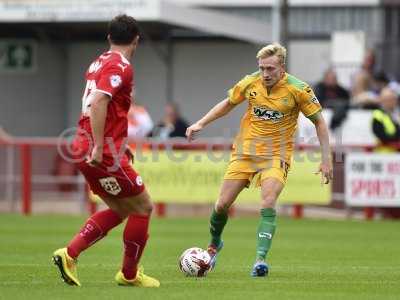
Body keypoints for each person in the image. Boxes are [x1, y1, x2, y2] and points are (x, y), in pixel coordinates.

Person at [186, 43, 332, 277]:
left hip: (276, 154)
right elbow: (228, 103)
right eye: (262, 68)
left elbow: (320, 122)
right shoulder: (250, 82)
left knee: (267, 201)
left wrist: (326, 160)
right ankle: (214, 244)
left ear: (281, 67)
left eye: (270, 69)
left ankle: (260, 260)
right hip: (245, 152)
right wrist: (201, 123)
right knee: (222, 204)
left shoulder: (299, 89)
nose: (265, 74)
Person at [52, 15, 159, 288]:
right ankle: (129, 274)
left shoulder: (98, 61)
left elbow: (104, 107)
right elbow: (99, 102)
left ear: (109, 37)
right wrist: (102, 146)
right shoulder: (121, 65)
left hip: (86, 144)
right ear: (136, 40)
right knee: (143, 206)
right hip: (99, 149)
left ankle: (70, 253)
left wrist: (117, 144)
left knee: (120, 207)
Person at [372, 87, 400, 152]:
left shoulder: (397, 114)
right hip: (385, 153)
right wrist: (397, 136)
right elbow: (382, 135)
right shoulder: (377, 114)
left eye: (393, 99)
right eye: (387, 99)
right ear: (382, 100)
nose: (391, 102)